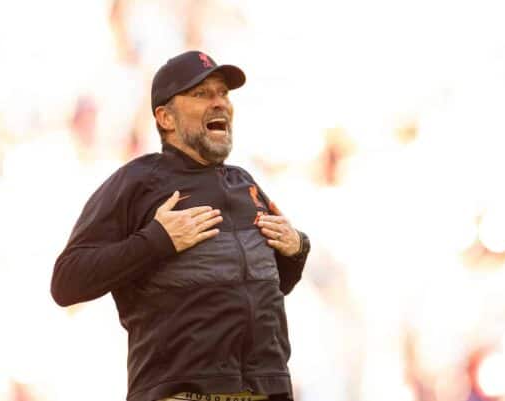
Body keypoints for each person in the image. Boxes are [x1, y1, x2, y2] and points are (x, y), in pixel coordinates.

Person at [51, 50, 311, 401]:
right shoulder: (138, 182)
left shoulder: (245, 184)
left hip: (267, 389)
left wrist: (297, 249)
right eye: (202, 94)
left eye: (224, 93)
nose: (220, 103)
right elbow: (67, 282)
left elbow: (270, 286)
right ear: (166, 118)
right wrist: (156, 241)